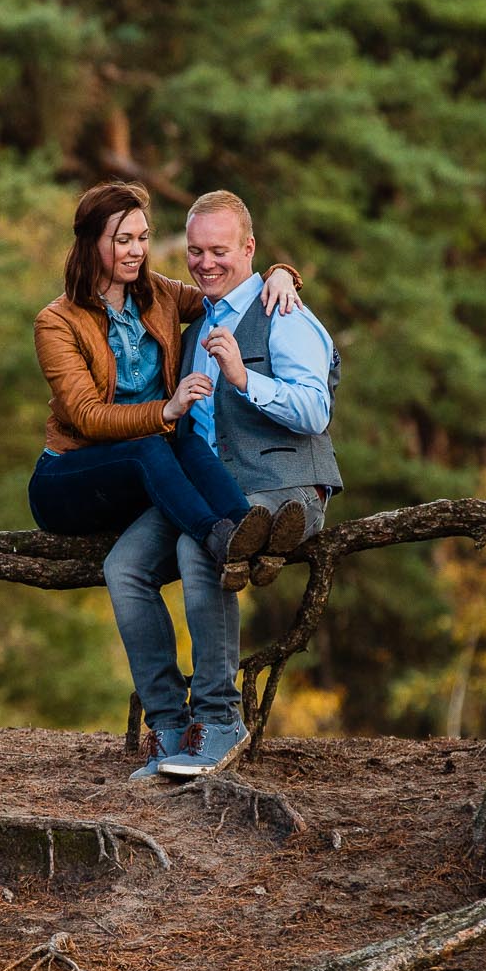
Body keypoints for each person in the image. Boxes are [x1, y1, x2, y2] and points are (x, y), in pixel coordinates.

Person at [105, 189, 341, 781]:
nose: (206, 263)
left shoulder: (284, 314)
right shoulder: (190, 330)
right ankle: (167, 725)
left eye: (220, 251)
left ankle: (217, 719)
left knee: (198, 546)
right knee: (125, 565)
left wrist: (243, 378)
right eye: (196, 252)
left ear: (250, 250)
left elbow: (317, 410)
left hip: (288, 488)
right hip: (210, 490)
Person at [26, 182, 308, 586]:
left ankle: (253, 534)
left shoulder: (157, 293)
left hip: (144, 468)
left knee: (186, 440)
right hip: (70, 480)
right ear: (91, 243)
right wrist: (167, 409)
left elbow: (230, 291)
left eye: (142, 238)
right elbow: (86, 417)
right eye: (123, 240)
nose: (138, 251)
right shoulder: (57, 322)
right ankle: (220, 540)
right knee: (158, 441)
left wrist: (280, 274)